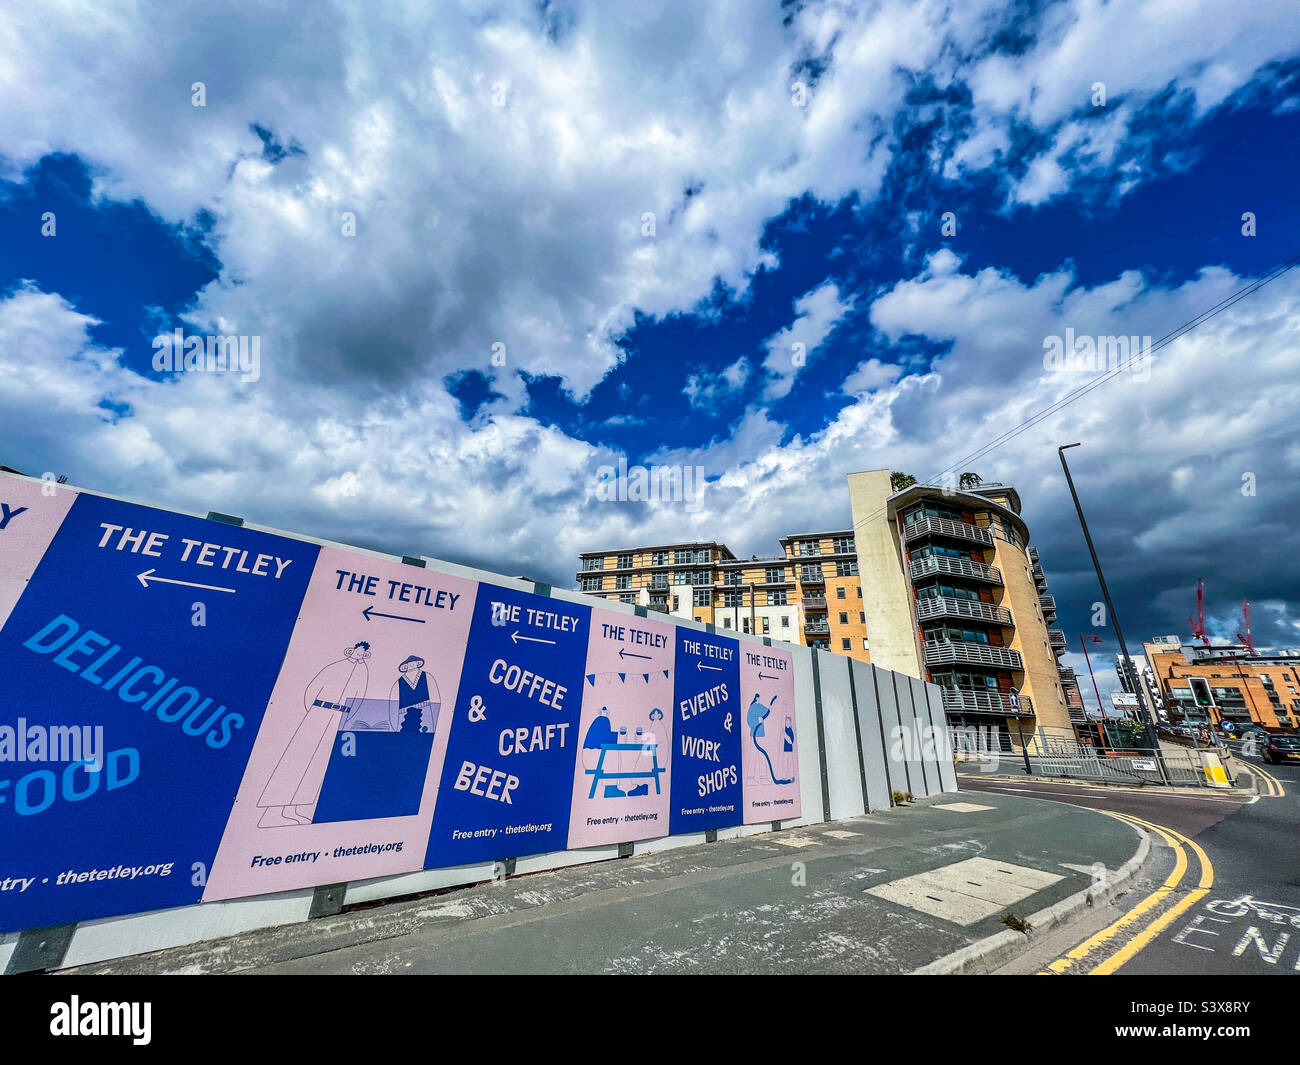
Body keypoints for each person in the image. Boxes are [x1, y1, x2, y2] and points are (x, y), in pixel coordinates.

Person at [258, 641, 371, 827]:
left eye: (363, 654)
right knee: (297, 758)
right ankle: (273, 810)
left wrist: (348, 718)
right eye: (358, 652)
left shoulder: (362, 672)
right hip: (319, 711)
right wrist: (314, 712)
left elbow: (360, 698)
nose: (359, 656)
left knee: (318, 764)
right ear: (352, 650)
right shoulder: (336, 667)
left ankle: (293, 809)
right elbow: (313, 689)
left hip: (339, 716)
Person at [387, 654, 441, 734]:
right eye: (409, 664)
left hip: (425, 710)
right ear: (405, 666)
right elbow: (393, 704)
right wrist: (394, 725)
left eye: (413, 662)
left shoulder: (427, 676)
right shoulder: (399, 682)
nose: (411, 665)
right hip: (405, 714)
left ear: (418, 663)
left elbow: (436, 698)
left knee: (425, 732)